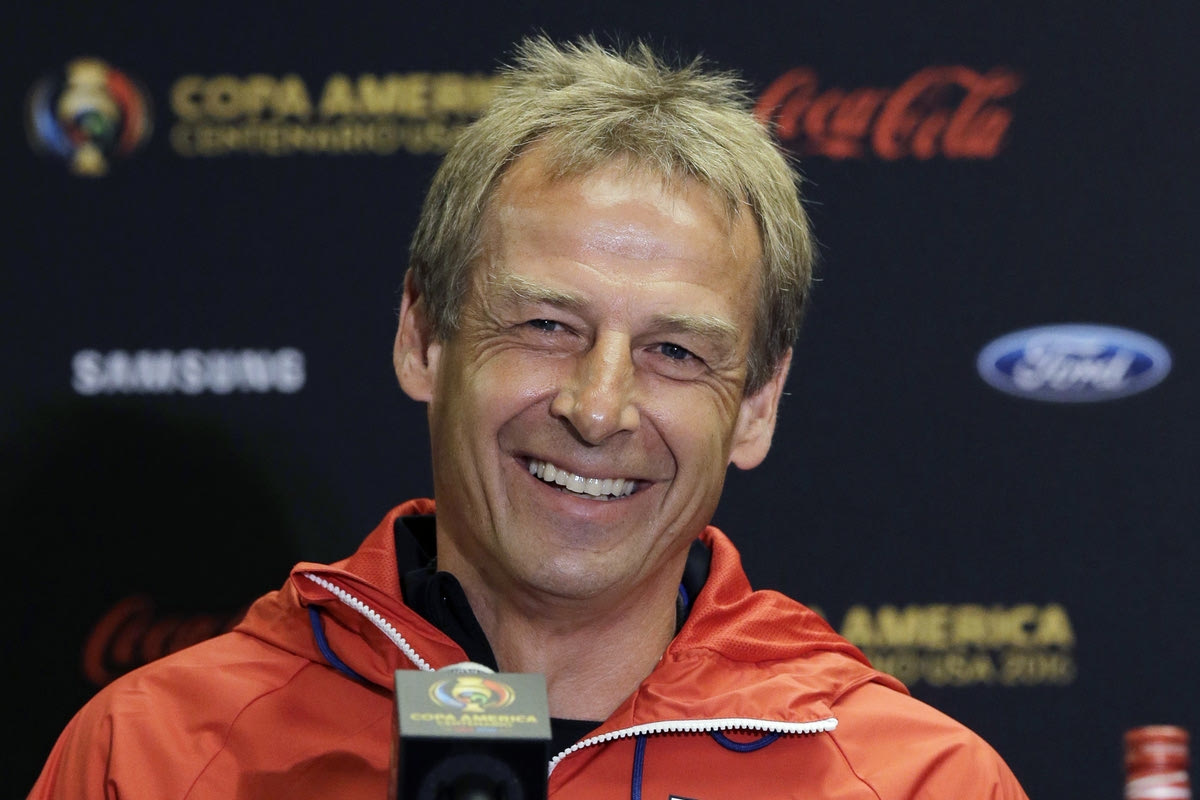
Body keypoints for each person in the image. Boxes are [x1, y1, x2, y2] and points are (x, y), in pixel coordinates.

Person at [28, 34, 1029, 799]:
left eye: (675, 352)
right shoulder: (155, 754)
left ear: (757, 406)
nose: (597, 408)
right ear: (424, 336)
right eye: (548, 325)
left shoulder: (915, 782)